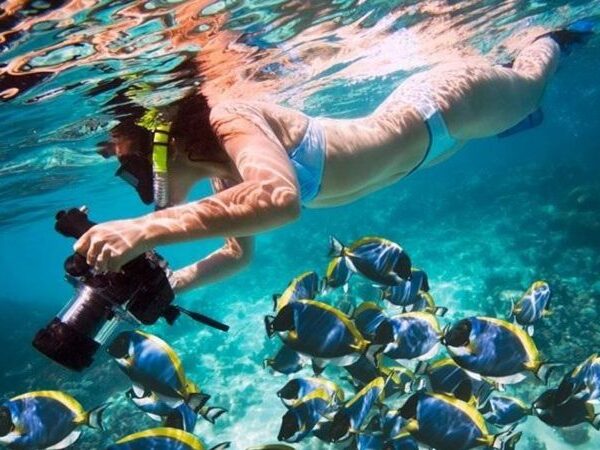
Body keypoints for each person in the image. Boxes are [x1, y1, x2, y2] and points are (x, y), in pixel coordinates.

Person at [74, 22, 594, 292]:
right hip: (430, 152)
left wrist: (146, 230)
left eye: (129, 166)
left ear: (161, 141)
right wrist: (173, 283)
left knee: (531, 85)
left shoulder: (230, 116)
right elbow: (236, 253)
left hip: (445, 108)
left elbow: (279, 199)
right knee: (512, 113)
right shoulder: (225, 184)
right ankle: (512, 113)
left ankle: (554, 36)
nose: (135, 182)